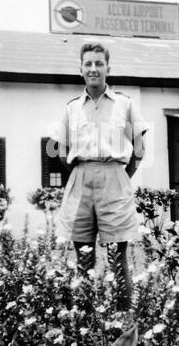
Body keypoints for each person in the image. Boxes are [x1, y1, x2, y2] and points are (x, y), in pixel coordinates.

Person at [50, 43, 148, 310]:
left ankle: (122, 324)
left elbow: (139, 148)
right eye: (88, 64)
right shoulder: (71, 108)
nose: (93, 69)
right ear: (81, 70)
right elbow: (58, 149)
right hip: (80, 180)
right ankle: (84, 324)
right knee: (83, 258)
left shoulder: (125, 105)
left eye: (99, 63)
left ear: (108, 68)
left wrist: (120, 174)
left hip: (115, 179)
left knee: (118, 258)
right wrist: (82, 171)